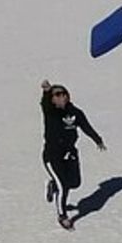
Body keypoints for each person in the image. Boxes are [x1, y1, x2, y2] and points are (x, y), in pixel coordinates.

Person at [40, 80, 106, 230]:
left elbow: (86, 127)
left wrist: (97, 140)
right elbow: (45, 104)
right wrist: (46, 91)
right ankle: (62, 216)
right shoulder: (50, 112)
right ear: (52, 99)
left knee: (75, 183)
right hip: (52, 156)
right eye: (57, 95)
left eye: (64, 94)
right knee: (64, 186)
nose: (61, 97)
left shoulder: (75, 112)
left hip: (70, 154)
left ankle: (53, 185)